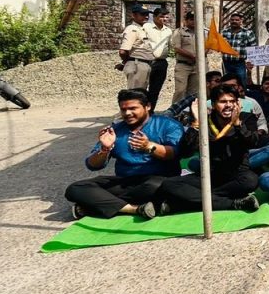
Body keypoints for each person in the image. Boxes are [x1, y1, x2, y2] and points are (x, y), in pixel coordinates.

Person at [64, 89, 183, 220]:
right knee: (75, 189)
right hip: (125, 181)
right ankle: (134, 209)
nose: (127, 113)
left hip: (157, 179)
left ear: (148, 106)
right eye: (123, 109)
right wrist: (105, 149)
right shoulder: (115, 130)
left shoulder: (168, 125)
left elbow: (173, 154)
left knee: (157, 187)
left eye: (133, 108)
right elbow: (93, 165)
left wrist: (149, 146)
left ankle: (95, 204)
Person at [158, 84, 261, 213]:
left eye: (232, 101)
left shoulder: (246, 118)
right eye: (223, 102)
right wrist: (196, 123)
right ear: (213, 105)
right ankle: (232, 203)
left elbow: (253, 143)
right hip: (208, 175)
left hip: (236, 175)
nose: (228, 105)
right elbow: (187, 151)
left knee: (251, 181)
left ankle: (184, 203)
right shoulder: (204, 122)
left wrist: (238, 125)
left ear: (237, 103)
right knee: (169, 184)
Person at [118, 4, 155, 91]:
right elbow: (123, 51)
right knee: (135, 94)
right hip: (137, 64)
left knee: (141, 94)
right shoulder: (132, 29)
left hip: (144, 64)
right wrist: (127, 61)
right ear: (134, 15)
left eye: (147, 14)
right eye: (142, 14)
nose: (146, 17)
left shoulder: (141, 29)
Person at [142, 7, 173, 110]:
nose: (164, 19)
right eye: (161, 16)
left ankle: (150, 112)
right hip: (147, 61)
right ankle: (141, 111)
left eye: (166, 17)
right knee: (141, 89)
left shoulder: (168, 31)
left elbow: (169, 46)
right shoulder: (146, 27)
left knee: (155, 90)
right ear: (154, 17)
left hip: (161, 63)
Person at [170, 11, 200, 104]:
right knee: (180, 90)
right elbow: (177, 48)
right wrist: (192, 56)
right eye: (191, 19)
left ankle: (189, 112)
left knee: (194, 92)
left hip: (197, 66)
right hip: (183, 65)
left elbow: (207, 46)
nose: (194, 21)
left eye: (195, 19)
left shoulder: (202, 32)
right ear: (186, 20)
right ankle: (174, 112)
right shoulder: (179, 32)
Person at [220, 12, 257, 88]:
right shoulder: (224, 32)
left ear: (241, 21)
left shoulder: (248, 33)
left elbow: (253, 48)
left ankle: (241, 98)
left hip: (240, 63)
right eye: (232, 20)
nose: (234, 21)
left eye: (237, 20)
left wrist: (251, 62)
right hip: (226, 63)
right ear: (230, 21)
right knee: (227, 83)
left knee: (241, 83)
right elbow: (219, 45)